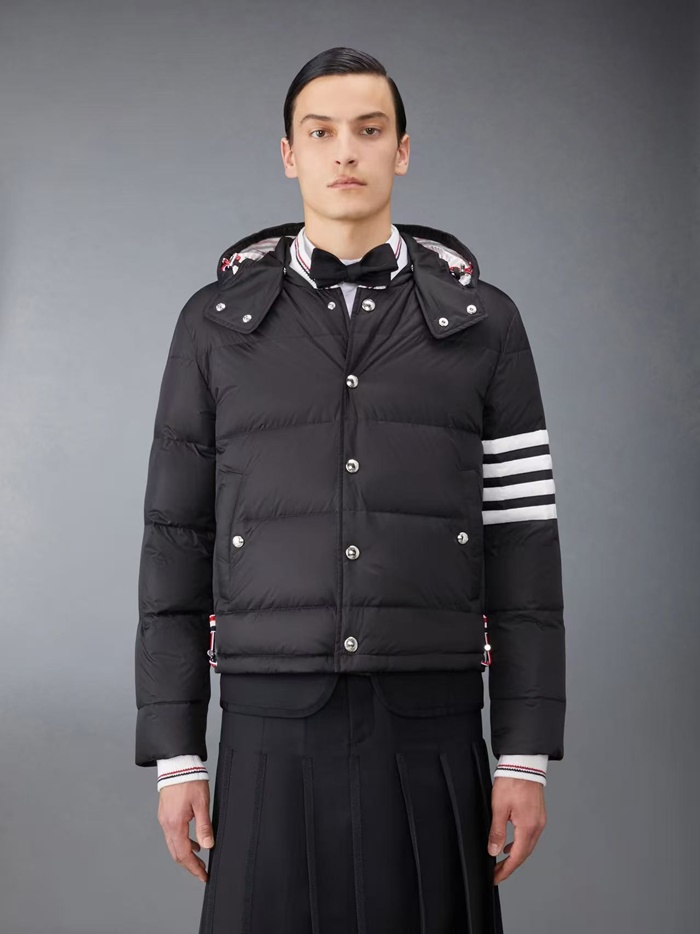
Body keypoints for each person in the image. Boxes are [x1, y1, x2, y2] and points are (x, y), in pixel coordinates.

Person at [134, 46, 566, 934]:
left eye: (369, 131)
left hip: (433, 718)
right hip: (267, 720)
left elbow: (524, 547)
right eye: (321, 132)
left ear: (401, 150)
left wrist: (523, 756)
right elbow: (175, 542)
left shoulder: (487, 325)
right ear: (288, 154)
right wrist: (178, 757)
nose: (345, 152)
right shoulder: (212, 326)